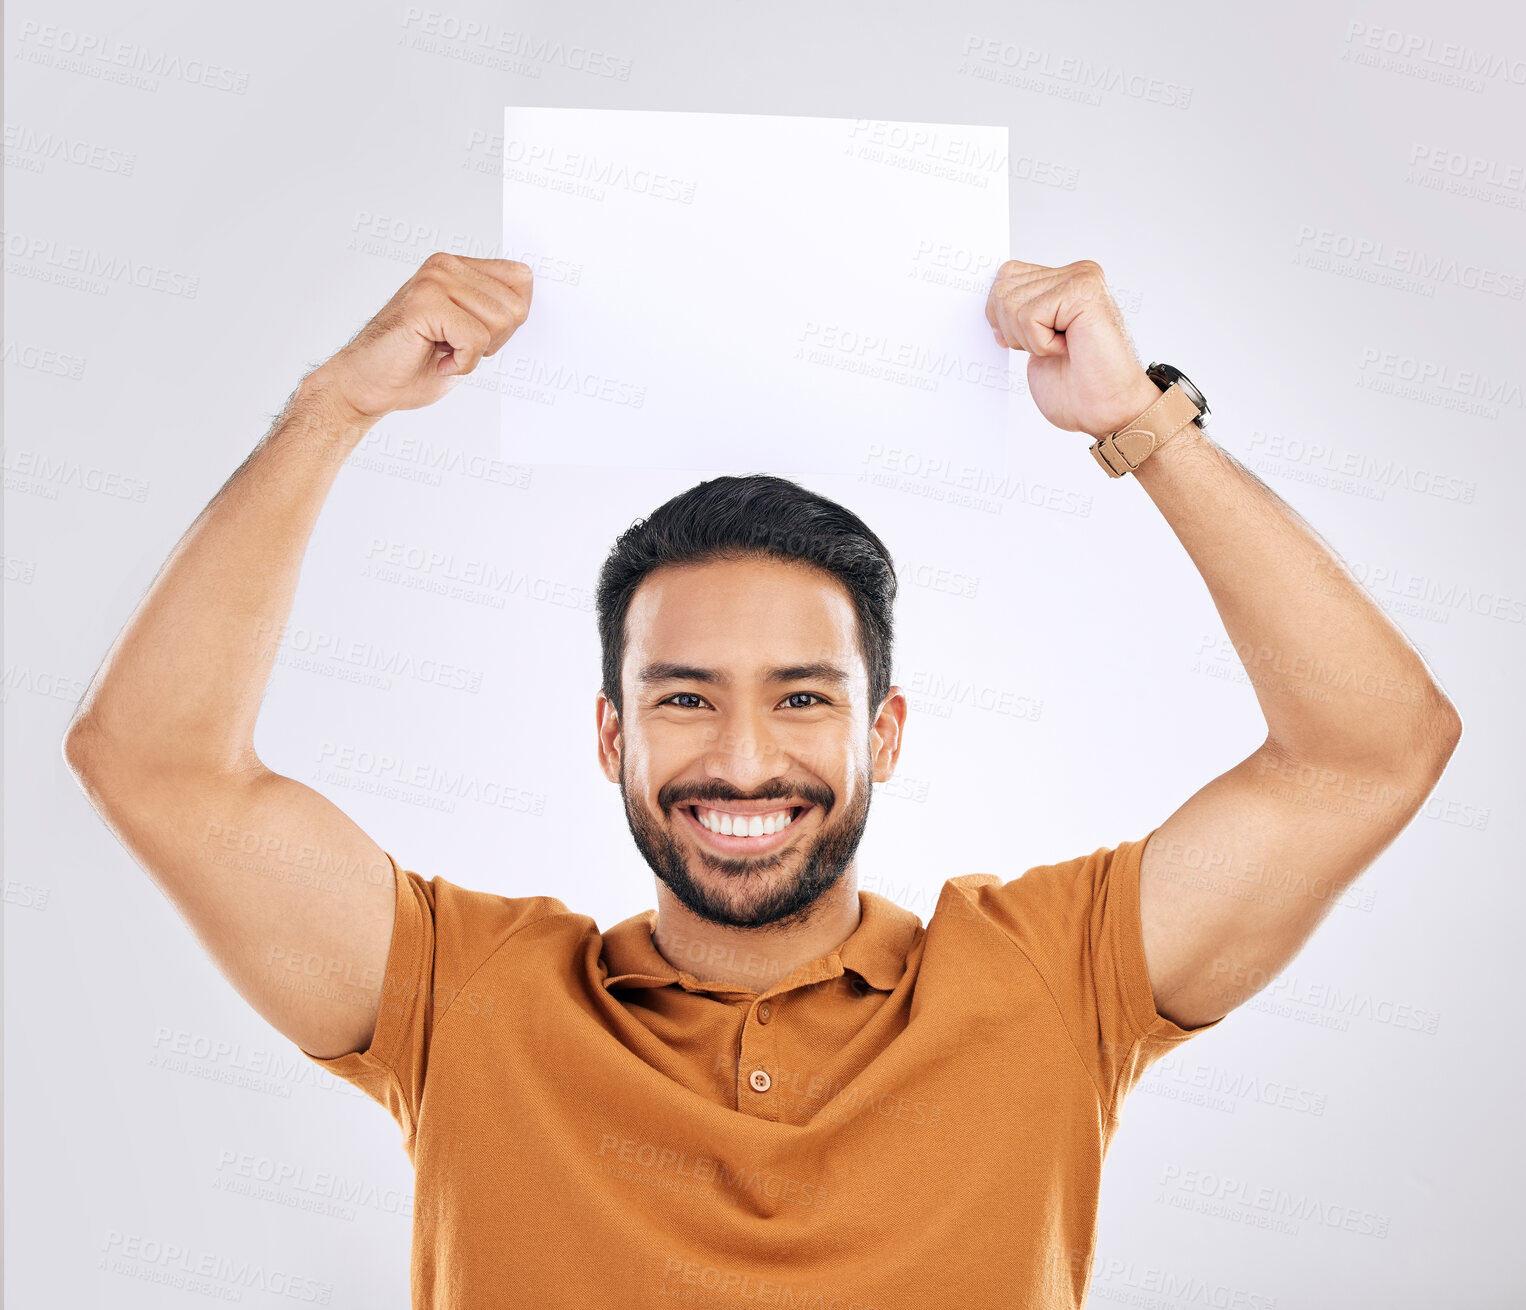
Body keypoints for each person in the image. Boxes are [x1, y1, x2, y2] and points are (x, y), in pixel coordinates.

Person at [62, 253, 1462, 1309]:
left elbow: (1371, 748)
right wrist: (335, 404)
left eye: (803, 697)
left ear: (887, 732)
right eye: (683, 698)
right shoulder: (464, 999)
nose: (740, 759)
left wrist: (1140, 424)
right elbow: (155, 763)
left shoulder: (1048, 980)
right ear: (610, 735)